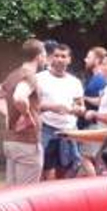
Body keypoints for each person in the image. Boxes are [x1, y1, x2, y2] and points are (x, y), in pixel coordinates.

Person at [0, 39, 46, 185]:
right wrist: (27, 116)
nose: (45, 58)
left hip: (11, 142)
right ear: (38, 56)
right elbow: (19, 97)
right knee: (26, 194)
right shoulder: (30, 76)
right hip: (27, 142)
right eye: (44, 54)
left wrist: (8, 114)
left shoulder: (14, 74)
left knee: (12, 193)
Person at [36, 43, 85, 181]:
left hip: (69, 131)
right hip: (46, 128)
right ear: (51, 58)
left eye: (63, 56)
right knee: (43, 168)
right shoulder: (40, 78)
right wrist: (53, 107)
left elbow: (81, 106)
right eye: (56, 56)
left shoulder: (74, 82)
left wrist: (78, 109)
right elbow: (33, 106)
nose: (59, 59)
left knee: (71, 166)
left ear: (69, 60)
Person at [78, 46, 107, 176]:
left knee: (84, 158)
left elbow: (102, 101)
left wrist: (83, 98)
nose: (85, 60)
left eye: (88, 57)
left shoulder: (100, 79)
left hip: (93, 125)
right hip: (92, 124)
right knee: (95, 159)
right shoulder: (96, 78)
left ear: (97, 60)